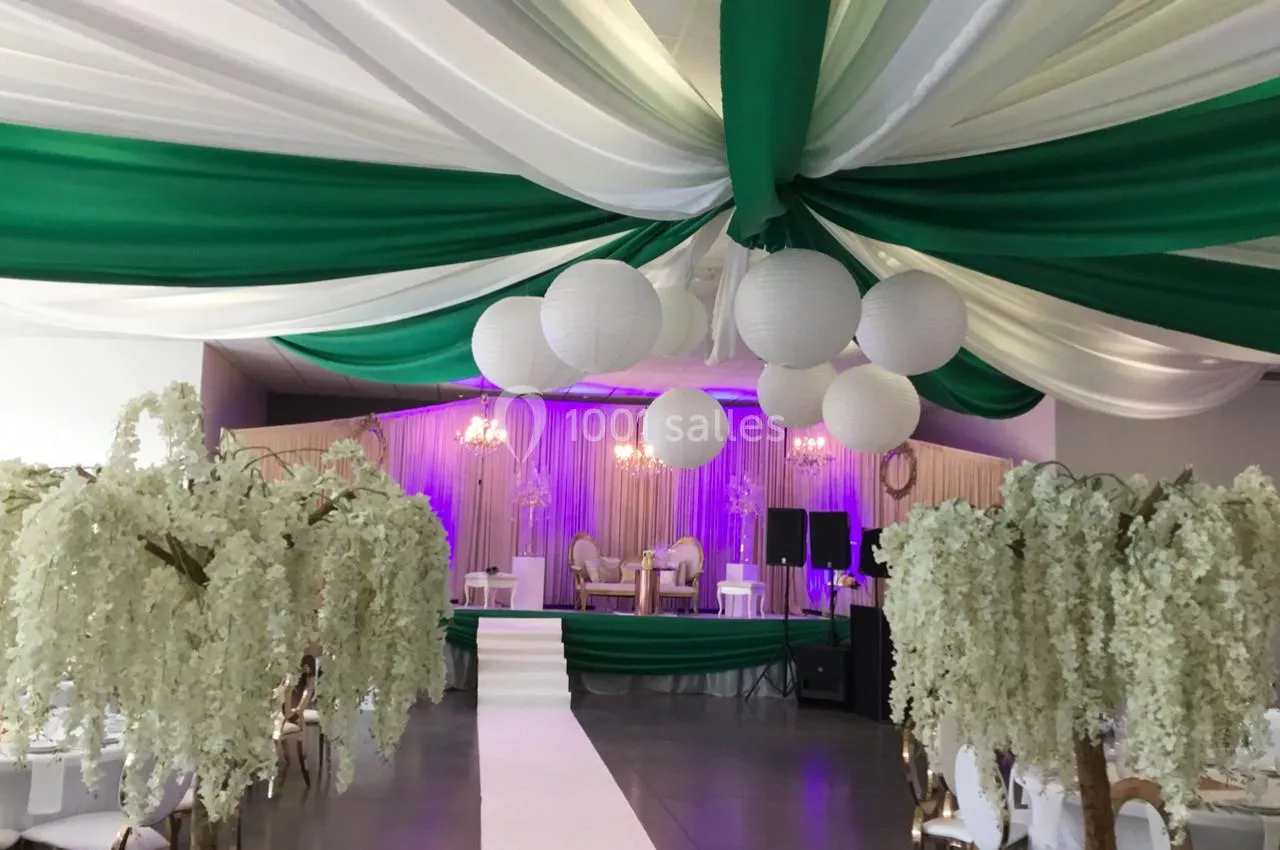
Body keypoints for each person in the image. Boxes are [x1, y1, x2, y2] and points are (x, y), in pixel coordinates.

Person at [272, 654, 318, 787]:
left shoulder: (301, 664)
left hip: (289, 716)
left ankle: (269, 771)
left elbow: (289, 713)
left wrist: (288, 692)